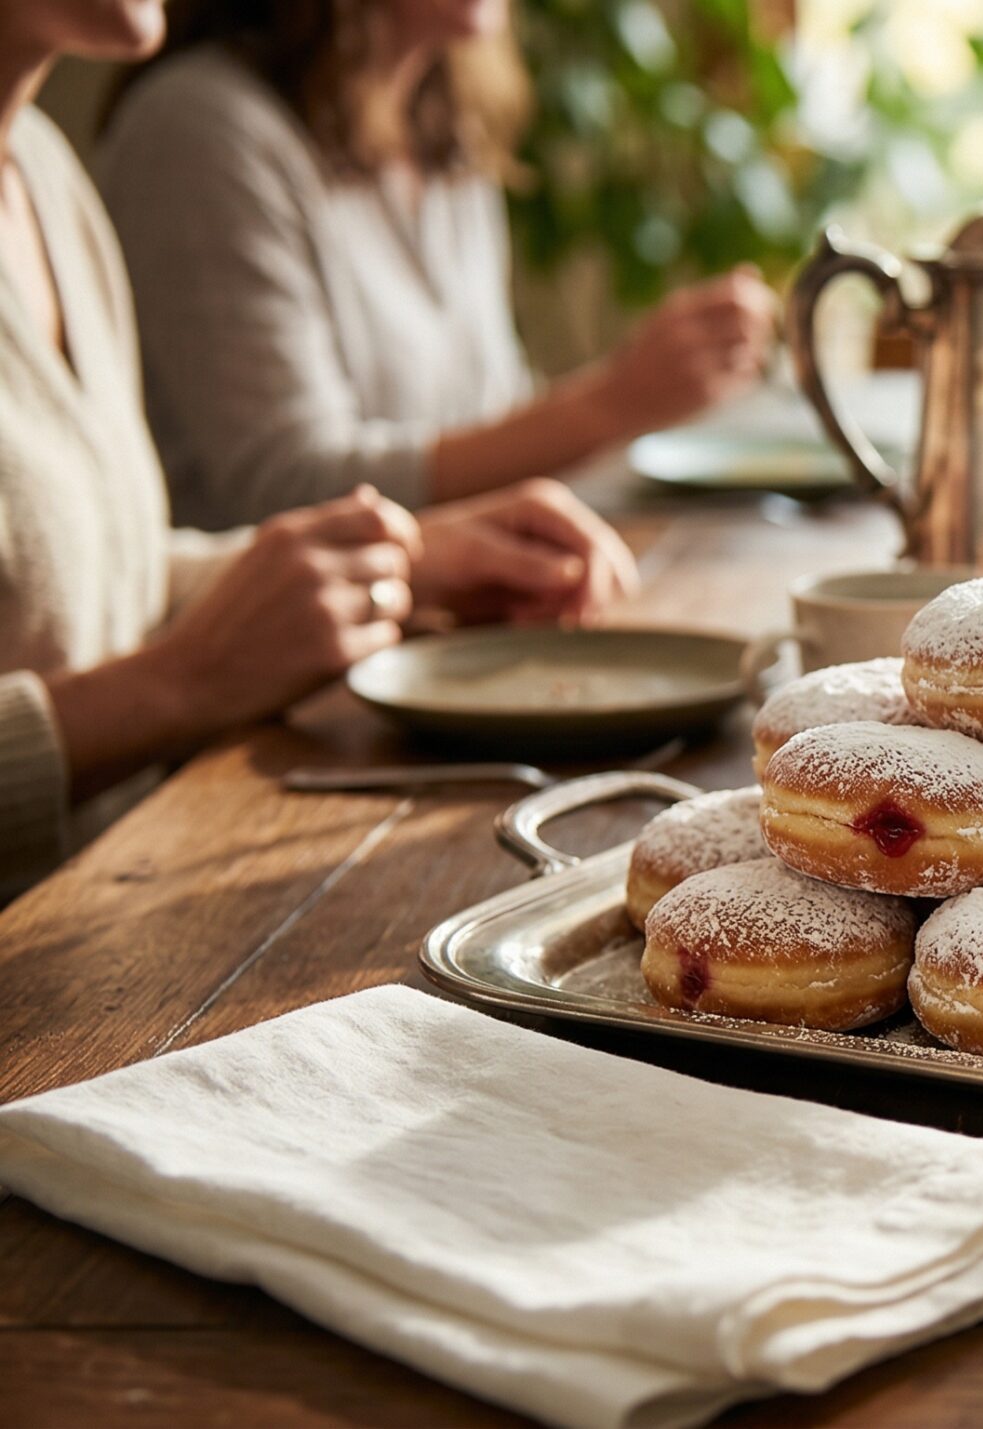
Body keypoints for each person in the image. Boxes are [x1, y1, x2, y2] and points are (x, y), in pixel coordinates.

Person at [1, 0, 639, 897]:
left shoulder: (39, 172)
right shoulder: (193, 130)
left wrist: (396, 565)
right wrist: (182, 684)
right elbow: (270, 480)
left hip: (124, 890)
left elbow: (98, 587)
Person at [93, 0, 779, 529]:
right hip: (277, 682)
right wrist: (613, 400)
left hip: (446, 630)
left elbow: (492, 414)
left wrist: (647, 395)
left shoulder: (444, 127)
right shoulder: (200, 127)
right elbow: (287, 490)